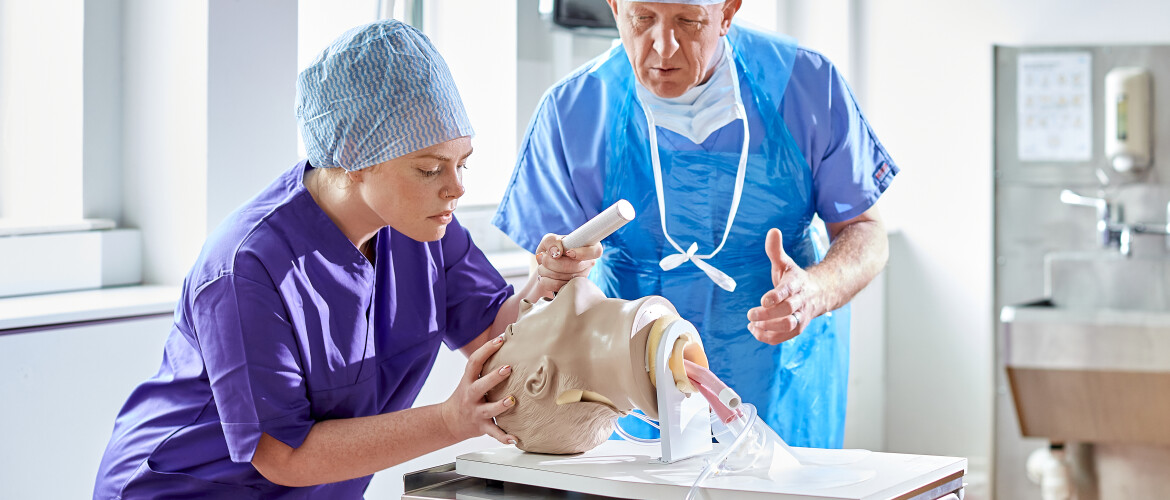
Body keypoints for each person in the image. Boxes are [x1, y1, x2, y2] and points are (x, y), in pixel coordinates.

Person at [93, 20, 597, 499]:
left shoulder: (423, 226)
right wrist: (450, 419)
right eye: (429, 168)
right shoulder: (247, 268)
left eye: (462, 163)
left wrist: (542, 286)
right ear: (352, 154)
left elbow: (493, 336)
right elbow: (283, 454)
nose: (457, 187)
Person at [493, 0, 897, 449]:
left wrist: (815, 291)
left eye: (688, 21)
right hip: (631, 384)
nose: (663, 47)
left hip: (781, 378)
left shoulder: (804, 85)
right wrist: (557, 276)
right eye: (642, 18)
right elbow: (548, 289)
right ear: (614, 6)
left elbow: (866, 231)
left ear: (727, 11)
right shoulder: (574, 111)